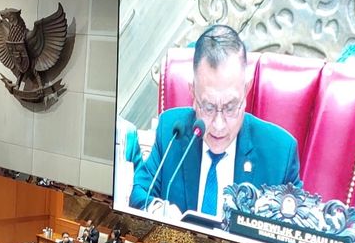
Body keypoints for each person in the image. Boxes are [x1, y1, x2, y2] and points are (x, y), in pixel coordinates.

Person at [129, 24, 301, 218]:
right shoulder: (171, 131)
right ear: (193, 93)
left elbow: (296, 226)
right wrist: (160, 211)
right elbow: (138, 193)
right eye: (208, 107)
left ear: (246, 90)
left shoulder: (279, 154)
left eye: (230, 107)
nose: (219, 125)